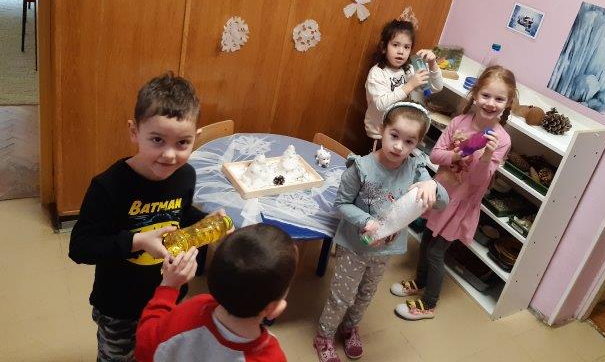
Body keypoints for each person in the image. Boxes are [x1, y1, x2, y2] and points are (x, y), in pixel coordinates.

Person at [69, 72, 210, 361]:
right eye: (157, 140)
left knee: (157, 352)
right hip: (119, 307)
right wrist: (138, 241)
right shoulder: (108, 186)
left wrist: (206, 221)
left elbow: (179, 213)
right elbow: (81, 248)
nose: (169, 155)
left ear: (196, 138)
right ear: (134, 131)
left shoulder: (185, 175)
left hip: (167, 296)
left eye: (182, 143)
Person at [314, 102, 449, 362]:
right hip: (354, 247)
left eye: (409, 142)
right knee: (342, 296)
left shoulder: (416, 169)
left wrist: (432, 184)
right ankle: (324, 335)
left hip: (385, 250)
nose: (399, 146)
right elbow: (341, 204)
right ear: (382, 129)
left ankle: (350, 327)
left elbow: (442, 203)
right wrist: (365, 220)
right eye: (394, 136)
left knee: (366, 293)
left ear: (418, 144)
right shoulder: (360, 168)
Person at [391, 65, 516, 320]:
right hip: (439, 194)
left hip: (460, 205)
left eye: (499, 99)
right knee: (426, 240)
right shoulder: (459, 122)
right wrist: (459, 153)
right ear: (475, 94)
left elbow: (479, 181)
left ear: (508, 103)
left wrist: (487, 156)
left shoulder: (502, 140)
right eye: (486, 95)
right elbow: (436, 156)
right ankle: (420, 281)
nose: (491, 103)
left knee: (436, 252)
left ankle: (429, 304)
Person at [135, 224, 297, 362]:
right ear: (274, 309)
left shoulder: (195, 308)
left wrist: (169, 287)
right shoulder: (272, 356)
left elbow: (145, 346)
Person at [364, 19, 444, 149]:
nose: (401, 51)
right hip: (380, 133)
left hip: (403, 132)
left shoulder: (409, 69)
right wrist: (409, 86)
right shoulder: (377, 72)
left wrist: (433, 64)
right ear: (384, 47)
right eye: (395, 45)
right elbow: (381, 105)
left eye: (406, 47)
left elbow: (436, 87)